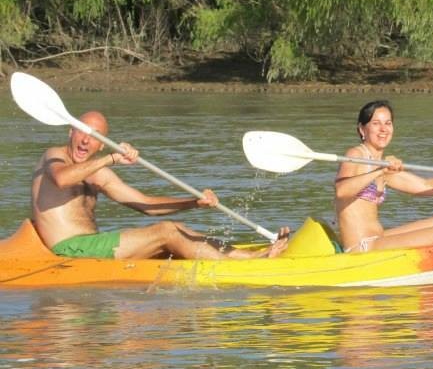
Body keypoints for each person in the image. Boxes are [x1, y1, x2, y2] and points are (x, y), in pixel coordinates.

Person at [31, 110, 289, 260]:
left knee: (175, 228)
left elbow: (148, 206)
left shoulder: (98, 173)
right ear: (70, 133)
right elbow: (63, 178)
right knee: (166, 232)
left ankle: (250, 256)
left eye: (95, 137)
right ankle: (246, 267)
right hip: (68, 249)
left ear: (101, 143)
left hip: (92, 246)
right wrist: (112, 158)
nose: (86, 141)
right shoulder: (53, 156)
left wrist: (193, 203)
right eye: (82, 132)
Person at [334, 100, 433, 252]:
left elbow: (426, 186)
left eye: (388, 123)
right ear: (362, 129)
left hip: (380, 238)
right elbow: (341, 191)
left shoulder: (383, 165)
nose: (383, 129)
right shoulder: (355, 154)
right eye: (376, 123)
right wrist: (380, 171)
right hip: (362, 248)